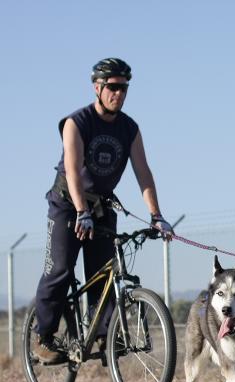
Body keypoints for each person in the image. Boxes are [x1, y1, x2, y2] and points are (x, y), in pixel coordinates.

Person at [32, 58, 173, 363]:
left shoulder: (129, 128)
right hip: (67, 204)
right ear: (97, 88)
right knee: (60, 270)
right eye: (112, 87)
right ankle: (43, 336)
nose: (118, 93)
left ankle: (102, 335)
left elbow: (143, 173)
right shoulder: (76, 122)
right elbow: (71, 170)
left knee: (104, 272)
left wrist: (157, 215)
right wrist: (81, 209)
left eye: (123, 88)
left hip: (101, 206)